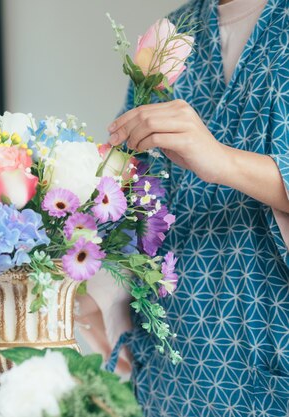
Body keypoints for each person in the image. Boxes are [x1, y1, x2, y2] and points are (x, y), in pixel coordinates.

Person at [88, 0, 289, 415]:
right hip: (174, 366)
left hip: (271, 349)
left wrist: (221, 160)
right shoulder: (172, 34)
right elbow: (131, 188)